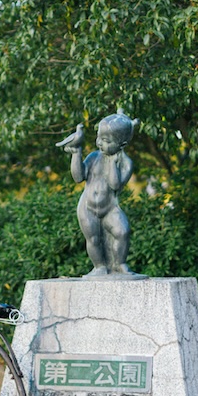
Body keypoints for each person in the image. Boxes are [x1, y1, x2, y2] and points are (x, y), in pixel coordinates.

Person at [57, 110, 142, 278]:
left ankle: (120, 264)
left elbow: (115, 184)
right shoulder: (94, 156)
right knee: (93, 239)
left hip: (110, 207)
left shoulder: (126, 163)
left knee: (122, 231)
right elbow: (78, 177)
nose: (99, 144)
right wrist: (76, 154)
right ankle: (99, 266)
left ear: (122, 144)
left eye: (106, 141)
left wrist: (112, 162)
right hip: (87, 206)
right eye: (99, 138)